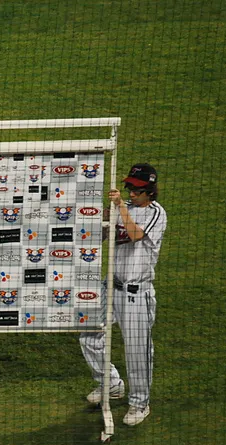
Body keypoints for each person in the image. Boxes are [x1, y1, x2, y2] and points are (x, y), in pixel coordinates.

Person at [79, 163, 167, 426]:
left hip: (136, 293)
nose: (132, 193)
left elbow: (135, 234)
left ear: (150, 191)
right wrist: (104, 217)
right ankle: (111, 384)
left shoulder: (156, 213)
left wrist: (120, 208)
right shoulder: (122, 208)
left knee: (137, 350)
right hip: (110, 286)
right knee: (89, 335)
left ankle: (140, 404)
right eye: (129, 188)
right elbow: (100, 239)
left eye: (137, 190)